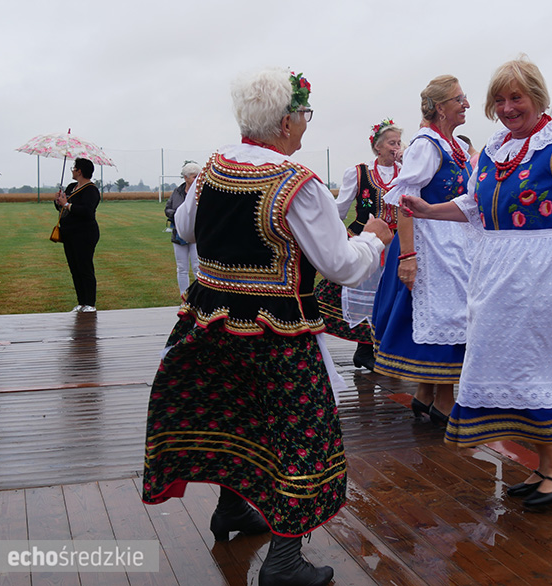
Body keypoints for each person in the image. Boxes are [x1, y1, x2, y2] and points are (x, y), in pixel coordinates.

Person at [142, 69, 392, 586]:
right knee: (301, 435)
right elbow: (342, 265)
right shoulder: (297, 183)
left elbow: (185, 229)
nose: (305, 123)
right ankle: (284, 560)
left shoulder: (212, 168)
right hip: (276, 335)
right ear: (284, 122)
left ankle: (233, 509)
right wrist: (374, 237)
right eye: (304, 114)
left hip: (210, 324)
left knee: (235, 417)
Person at [399, 57, 552, 509]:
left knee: (536, 368)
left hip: (548, 274)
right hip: (498, 275)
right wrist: (429, 210)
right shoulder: (494, 148)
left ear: (537, 96)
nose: (508, 107)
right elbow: (475, 205)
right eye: (500, 100)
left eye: (517, 98)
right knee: (503, 367)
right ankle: (551, 463)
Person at [372, 75, 473, 426]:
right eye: (459, 99)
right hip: (430, 243)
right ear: (441, 107)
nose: (467, 105)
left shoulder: (451, 144)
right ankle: (443, 400)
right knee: (444, 317)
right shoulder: (427, 145)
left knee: (448, 317)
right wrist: (409, 256)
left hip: (450, 240)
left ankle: (427, 394)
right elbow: (406, 203)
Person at [315, 119, 402, 371]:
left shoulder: (406, 172)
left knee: (390, 296)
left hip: (395, 245)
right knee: (365, 298)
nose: (396, 147)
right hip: (367, 240)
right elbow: (338, 211)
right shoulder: (359, 173)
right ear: (377, 147)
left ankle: (384, 349)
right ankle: (364, 350)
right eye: (391, 143)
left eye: (398, 142)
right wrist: (334, 238)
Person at [54, 158, 101, 313]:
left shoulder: (91, 190)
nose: (73, 171)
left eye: (74, 168)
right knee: (74, 268)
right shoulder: (71, 187)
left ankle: (90, 303)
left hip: (85, 234)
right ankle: (81, 302)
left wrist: (67, 204)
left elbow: (87, 211)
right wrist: (58, 201)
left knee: (85, 267)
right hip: (69, 233)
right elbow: (63, 209)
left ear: (80, 171)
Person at [165, 162, 202, 295]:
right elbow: (167, 209)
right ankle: (184, 296)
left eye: (198, 176)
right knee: (182, 268)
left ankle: (199, 296)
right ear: (186, 178)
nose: (196, 179)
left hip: (195, 234)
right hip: (178, 235)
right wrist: (177, 215)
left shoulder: (202, 192)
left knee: (197, 267)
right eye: (193, 176)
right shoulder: (177, 192)